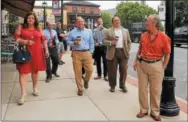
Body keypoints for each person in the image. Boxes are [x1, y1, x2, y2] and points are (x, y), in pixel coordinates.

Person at [133, 15, 171, 121]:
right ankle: (143, 110)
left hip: (156, 65)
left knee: (155, 90)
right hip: (142, 64)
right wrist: (136, 60)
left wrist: (164, 66)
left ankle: (154, 112)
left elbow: (167, 53)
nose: (146, 23)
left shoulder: (164, 37)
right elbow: (140, 49)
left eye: (147, 21)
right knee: (142, 89)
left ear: (154, 24)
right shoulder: (143, 35)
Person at [14, 11, 49, 105]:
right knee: (22, 73)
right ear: (26, 18)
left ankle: (35, 88)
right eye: (29, 17)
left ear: (35, 19)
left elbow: (44, 39)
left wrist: (46, 50)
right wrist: (25, 42)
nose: (31, 19)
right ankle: (23, 94)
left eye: (33, 18)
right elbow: (16, 38)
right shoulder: (21, 26)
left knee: (35, 71)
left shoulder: (38, 27)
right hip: (24, 53)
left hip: (37, 52)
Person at [67, 16, 94, 96]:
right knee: (77, 72)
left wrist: (91, 51)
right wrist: (73, 43)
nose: (81, 23)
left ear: (84, 22)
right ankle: (80, 88)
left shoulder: (89, 31)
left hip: (87, 53)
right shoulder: (72, 32)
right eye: (79, 22)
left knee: (90, 70)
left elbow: (91, 42)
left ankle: (86, 80)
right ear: (76, 23)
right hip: (76, 53)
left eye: (82, 21)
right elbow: (68, 42)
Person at [104, 16, 131, 93]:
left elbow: (129, 41)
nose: (117, 21)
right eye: (115, 20)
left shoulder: (125, 30)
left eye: (118, 20)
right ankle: (112, 86)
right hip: (113, 52)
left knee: (124, 70)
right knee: (112, 70)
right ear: (112, 22)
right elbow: (104, 41)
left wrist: (128, 50)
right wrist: (111, 42)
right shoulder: (108, 31)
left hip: (123, 52)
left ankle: (122, 85)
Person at [93, 17, 108, 81]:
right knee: (98, 62)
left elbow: (106, 39)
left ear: (102, 22)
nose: (99, 22)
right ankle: (99, 75)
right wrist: (95, 43)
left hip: (104, 47)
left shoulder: (106, 30)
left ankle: (105, 75)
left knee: (105, 62)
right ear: (97, 23)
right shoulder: (94, 30)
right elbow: (93, 38)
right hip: (97, 48)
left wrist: (100, 43)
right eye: (98, 21)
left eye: (100, 21)